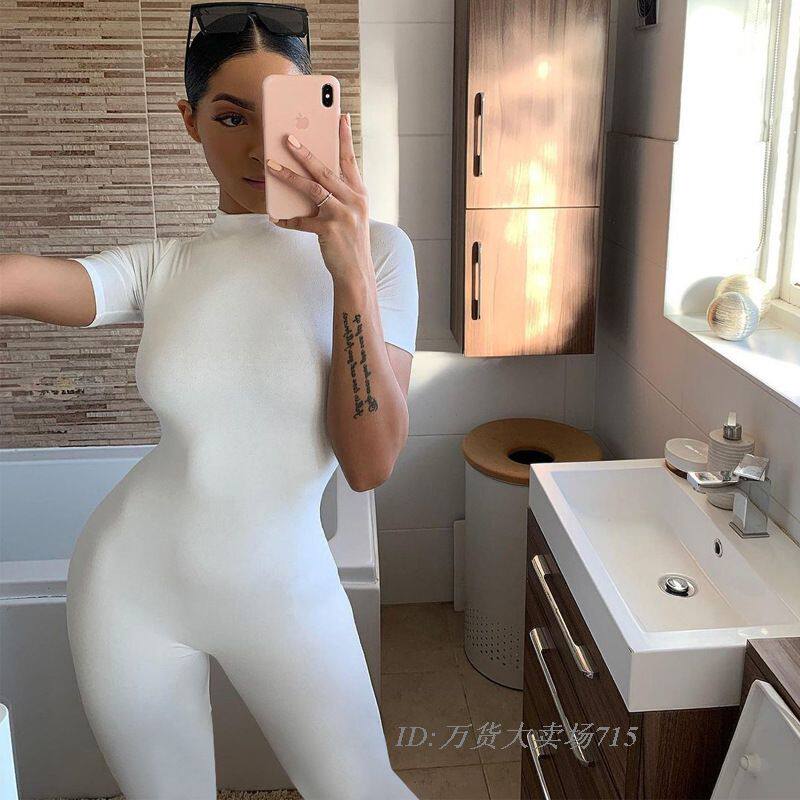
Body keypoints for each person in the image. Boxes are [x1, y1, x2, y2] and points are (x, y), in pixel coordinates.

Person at [0, 10, 419, 800]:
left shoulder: (382, 255)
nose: (260, 148)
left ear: (322, 117)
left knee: (362, 788)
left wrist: (349, 269)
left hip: (285, 589)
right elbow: (21, 280)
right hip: (128, 588)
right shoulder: (163, 267)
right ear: (190, 121)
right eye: (231, 118)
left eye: (283, 118)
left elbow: (370, 464)